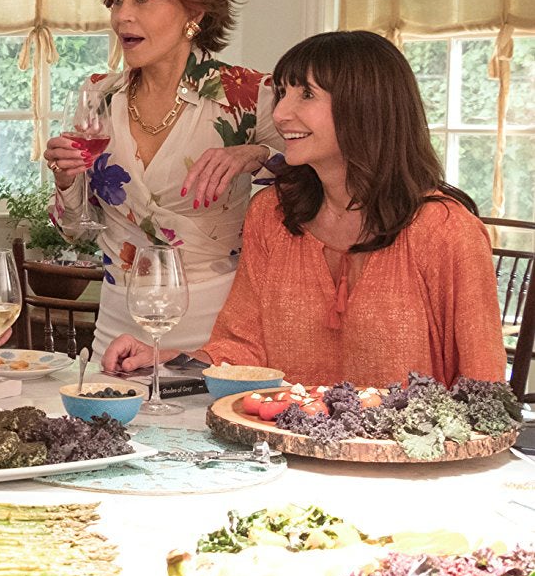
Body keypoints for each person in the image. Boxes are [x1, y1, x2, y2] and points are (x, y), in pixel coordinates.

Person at [103, 30, 507, 387]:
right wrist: (168, 363)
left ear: (365, 107)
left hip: (408, 466)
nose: (279, 114)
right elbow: (244, 350)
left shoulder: (446, 230)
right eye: (282, 93)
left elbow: (483, 385)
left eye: (306, 94)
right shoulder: (273, 216)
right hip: (286, 454)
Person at [42, 0, 285, 356]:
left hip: (217, 335)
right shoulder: (99, 94)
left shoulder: (249, 96)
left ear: (194, 10)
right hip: (116, 333)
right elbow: (76, 232)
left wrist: (257, 153)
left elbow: (314, 184)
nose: (122, 15)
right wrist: (65, 182)